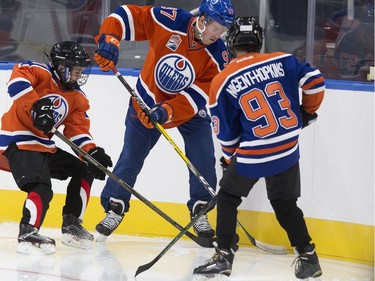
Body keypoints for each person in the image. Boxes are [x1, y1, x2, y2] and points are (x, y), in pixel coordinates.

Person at [193, 17, 325, 279]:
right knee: (285, 205)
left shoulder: (223, 79)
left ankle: (224, 256)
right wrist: (306, 112)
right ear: (258, 40)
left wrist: (230, 159)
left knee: (228, 199)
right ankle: (309, 257)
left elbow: (226, 132)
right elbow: (315, 80)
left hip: (255, 152)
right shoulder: (283, 60)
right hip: (287, 148)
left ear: (231, 42)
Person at [93, 0, 235, 241]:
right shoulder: (169, 20)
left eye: (222, 31)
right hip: (147, 100)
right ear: (202, 19)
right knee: (131, 156)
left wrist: (167, 111)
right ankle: (115, 206)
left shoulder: (218, 56)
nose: (218, 35)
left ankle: (200, 210)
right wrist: (110, 40)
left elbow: (197, 96)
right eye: (215, 28)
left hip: (186, 110)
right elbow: (124, 16)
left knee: (202, 158)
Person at [0, 41, 113, 254]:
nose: (79, 76)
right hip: (17, 139)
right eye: (75, 70)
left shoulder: (78, 98)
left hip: (43, 146)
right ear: (61, 66)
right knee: (41, 187)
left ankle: (71, 225)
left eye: (81, 71)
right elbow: (15, 83)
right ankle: (28, 233)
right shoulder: (39, 71)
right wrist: (36, 105)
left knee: (83, 168)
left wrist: (91, 152)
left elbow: (76, 130)